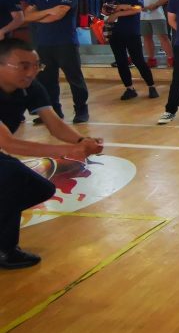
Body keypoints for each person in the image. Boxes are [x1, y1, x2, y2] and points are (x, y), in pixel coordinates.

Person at [0, 39, 103, 269]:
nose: (31, 72)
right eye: (23, 66)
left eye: (36, 65)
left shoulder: (30, 87)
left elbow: (54, 123)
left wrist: (81, 141)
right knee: (11, 176)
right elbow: (9, 144)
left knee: (38, 188)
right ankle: (5, 249)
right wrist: (70, 151)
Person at [21, 0, 89, 123]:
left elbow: (56, 16)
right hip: (43, 45)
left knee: (74, 78)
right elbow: (26, 17)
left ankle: (81, 110)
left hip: (65, 44)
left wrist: (38, 16)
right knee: (46, 80)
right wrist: (48, 11)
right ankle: (55, 112)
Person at [102, 0, 158, 100]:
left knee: (138, 60)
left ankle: (151, 86)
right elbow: (105, 10)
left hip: (131, 31)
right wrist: (123, 7)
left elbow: (137, 9)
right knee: (121, 61)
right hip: (114, 32)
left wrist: (117, 11)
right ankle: (129, 88)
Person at [134, 0, 173, 68]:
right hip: (141, 16)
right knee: (146, 37)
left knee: (163, 36)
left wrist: (155, 5)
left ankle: (171, 59)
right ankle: (151, 59)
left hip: (158, 15)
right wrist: (138, 8)